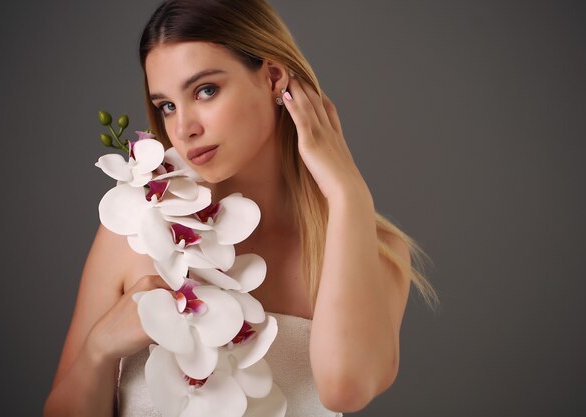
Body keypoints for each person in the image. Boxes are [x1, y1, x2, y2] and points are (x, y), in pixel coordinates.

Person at [43, 1, 437, 416]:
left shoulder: (377, 252)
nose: (183, 128)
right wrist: (100, 348)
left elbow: (345, 390)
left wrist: (348, 192)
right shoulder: (136, 232)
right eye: (167, 106)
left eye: (205, 90)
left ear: (272, 78)